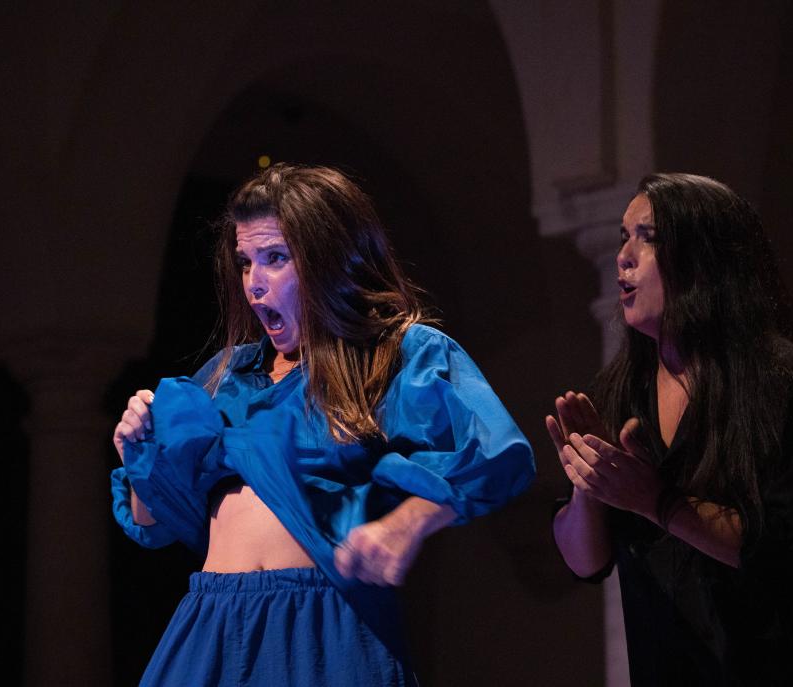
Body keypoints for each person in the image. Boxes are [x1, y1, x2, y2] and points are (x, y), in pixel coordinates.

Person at [111, 164, 535, 686]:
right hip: (213, 623)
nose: (254, 284)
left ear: (329, 260)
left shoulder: (394, 356)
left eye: (275, 259)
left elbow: (494, 456)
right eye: (245, 262)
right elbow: (151, 520)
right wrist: (137, 448)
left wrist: (406, 524)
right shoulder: (228, 376)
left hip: (323, 625)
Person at [547, 173, 793, 684]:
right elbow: (585, 563)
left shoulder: (778, 379)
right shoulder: (622, 390)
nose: (623, 257)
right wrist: (591, 486)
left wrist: (657, 501)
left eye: (648, 238)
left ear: (703, 260)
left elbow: (779, 548)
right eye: (623, 237)